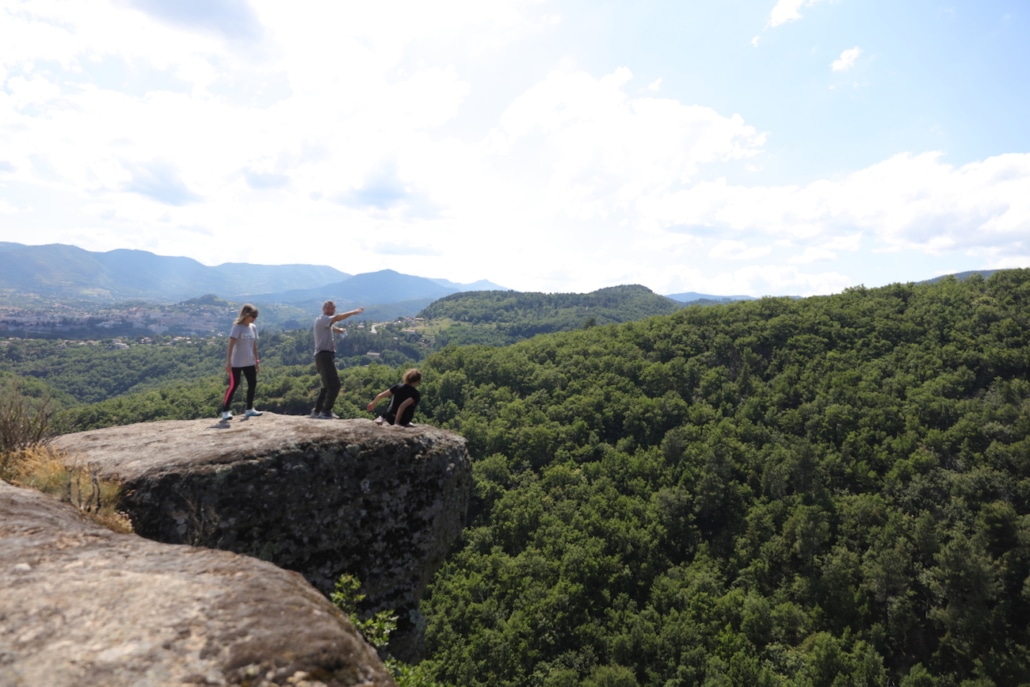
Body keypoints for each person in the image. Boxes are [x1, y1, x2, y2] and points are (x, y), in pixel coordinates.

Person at [312, 301, 364, 419]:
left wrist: (338, 330)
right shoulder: (324, 319)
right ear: (323, 308)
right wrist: (353, 312)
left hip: (322, 356)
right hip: (324, 356)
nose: (330, 310)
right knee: (335, 385)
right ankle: (326, 412)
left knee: (326, 386)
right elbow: (337, 318)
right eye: (328, 308)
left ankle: (317, 411)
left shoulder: (323, 320)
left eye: (332, 308)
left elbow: (330, 325)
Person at [220, 304, 261, 421]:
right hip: (236, 363)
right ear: (246, 315)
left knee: (252, 384)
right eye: (252, 315)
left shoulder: (253, 327)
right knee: (233, 386)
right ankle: (225, 411)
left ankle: (249, 409)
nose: (254, 318)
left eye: (255, 316)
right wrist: (228, 362)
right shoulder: (237, 327)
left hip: (250, 362)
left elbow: (254, 345)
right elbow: (231, 346)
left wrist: (257, 361)